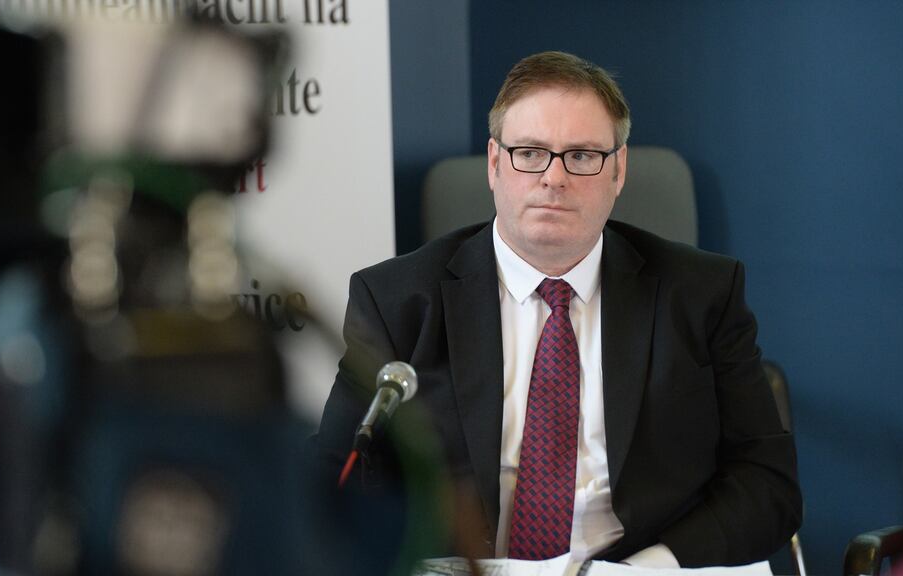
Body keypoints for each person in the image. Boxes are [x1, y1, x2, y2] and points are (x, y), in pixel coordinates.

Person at [315, 50, 802, 568]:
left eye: (582, 156)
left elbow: (767, 483)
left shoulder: (700, 293)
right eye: (529, 152)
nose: (554, 178)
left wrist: (652, 566)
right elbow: (337, 472)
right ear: (494, 164)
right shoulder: (397, 301)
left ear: (618, 171)